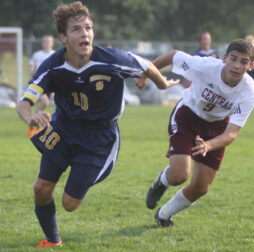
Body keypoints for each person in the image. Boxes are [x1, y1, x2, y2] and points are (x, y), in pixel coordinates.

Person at [16, 1, 178, 248]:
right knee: (41, 187)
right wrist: (30, 118)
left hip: (99, 137)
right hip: (63, 128)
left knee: (70, 204)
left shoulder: (111, 59)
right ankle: (52, 240)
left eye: (88, 28)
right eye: (77, 29)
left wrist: (160, 83)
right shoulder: (52, 66)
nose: (85, 34)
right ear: (63, 37)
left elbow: (144, 64)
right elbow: (24, 102)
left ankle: (84, 169)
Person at [137, 39, 254, 227]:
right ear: (225, 58)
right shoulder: (206, 66)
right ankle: (160, 182)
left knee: (201, 187)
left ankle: (164, 214)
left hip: (216, 127)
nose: (236, 65)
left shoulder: (249, 91)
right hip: (188, 115)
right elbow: (173, 55)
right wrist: (146, 75)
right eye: (233, 59)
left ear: (251, 66)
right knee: (179, 175)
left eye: (243, 61)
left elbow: (231, 134)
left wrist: (208, 145)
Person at [28, 35, 56, 137]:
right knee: (45, 102)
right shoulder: (37, 55)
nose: (47, 43)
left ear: (52, 43)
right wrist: (32, 72)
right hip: (41, 83)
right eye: (45, 41)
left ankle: (36, 122)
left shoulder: (55, 54)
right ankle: (35, 122)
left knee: (47, 106)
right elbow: (31, 66)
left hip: (53, 84)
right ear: (42, 43)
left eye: (49, 41)